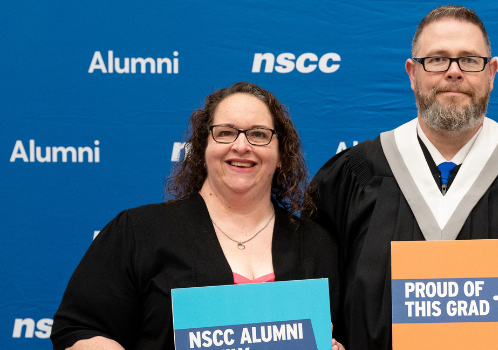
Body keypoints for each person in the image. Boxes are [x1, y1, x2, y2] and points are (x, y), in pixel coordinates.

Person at [307, 5, 498, 350]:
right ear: (412, 73)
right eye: (437, 59)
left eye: (469, 60)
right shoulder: (352, 176)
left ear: (491, 73)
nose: (454, 72)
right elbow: (315, 297)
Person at [51, 82, 344, 350]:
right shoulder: (138, 232)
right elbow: (78, 329)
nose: (241, 146)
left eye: (258, 134)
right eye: (226, 132)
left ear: (281, 153)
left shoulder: (318, 245)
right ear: (203, 147)